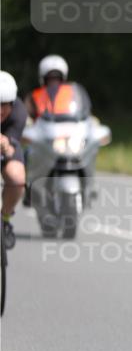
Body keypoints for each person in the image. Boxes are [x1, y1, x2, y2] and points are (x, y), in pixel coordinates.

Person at [0, 70, 26, 250]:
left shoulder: (19, 113)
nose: (0, 110)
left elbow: (11, 147)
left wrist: (6, 146)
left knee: (17, 179)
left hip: (5, 149)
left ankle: (5, 220)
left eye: (4, 105)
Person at [27, 54, 91, 121]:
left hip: (71, 126)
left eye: (57, 78)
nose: (54, 82)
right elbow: (29, 115)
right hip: (43, 129)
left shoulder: (73, 91)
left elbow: (83, 110)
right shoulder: (34, 95)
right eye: (50, 78)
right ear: (44, 79)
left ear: (62, 79)